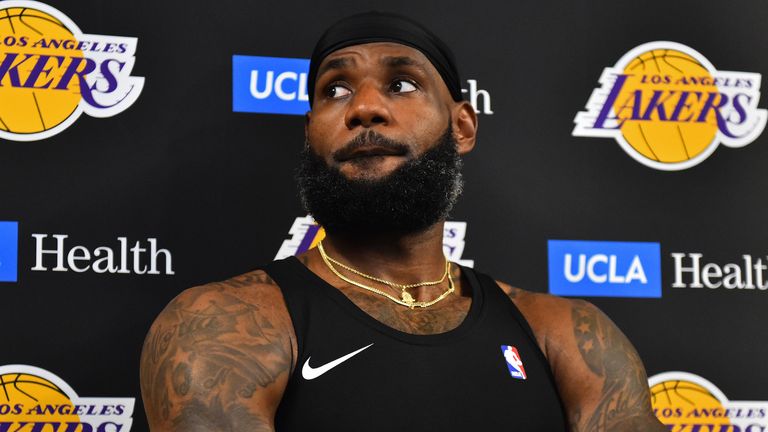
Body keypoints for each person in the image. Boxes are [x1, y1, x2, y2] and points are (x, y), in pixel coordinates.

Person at [140, 11, 666, 432]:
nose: (364, 107)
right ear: (310, 132)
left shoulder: (567, 335)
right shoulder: (223, 324)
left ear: (461, 126)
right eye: (336, 90)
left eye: (403, 84)